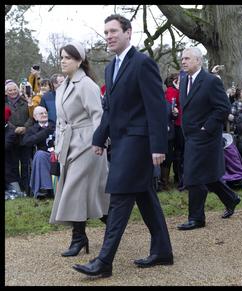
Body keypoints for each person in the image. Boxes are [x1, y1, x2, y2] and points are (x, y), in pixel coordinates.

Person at [72, 14, 173, 278]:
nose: (109, 36)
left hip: (138, 144)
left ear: (128, 33)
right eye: (106, 32)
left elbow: (157, 108)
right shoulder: (110, 67)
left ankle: (104, 261)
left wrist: (158, 146)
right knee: (145, 197)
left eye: (114, 31)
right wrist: (98, 138)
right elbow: (110, 109)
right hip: (120, 142)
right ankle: (162, 251)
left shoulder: (143, 63)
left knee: (118, 198)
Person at [49, 41, 110, 257]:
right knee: (87, 193)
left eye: (67, 57)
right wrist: (57, 146)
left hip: (88, 144)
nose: (63, 61)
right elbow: (60, 121)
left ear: (79, 60)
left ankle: (80, 237)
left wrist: (99, 142)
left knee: (75, 190)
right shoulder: (63, 86)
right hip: (69, 144)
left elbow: (98, 117)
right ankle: (106, 227)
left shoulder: (87, 85)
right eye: (62, 57)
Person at [176, 46, 241, 231]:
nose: (183, 61)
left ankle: (196, 218)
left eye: (187, 58)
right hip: (189, 135)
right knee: (208, 175)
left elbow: (223, 108)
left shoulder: (211, 81)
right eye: (182, 58)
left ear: (198, 61)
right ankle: (231, 198)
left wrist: (206, 128)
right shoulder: (183, 79)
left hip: (205, 136)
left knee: (192, 175)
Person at [5, 80, 34, 195]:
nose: (12, 92)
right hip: (10, 137)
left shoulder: (25, 100)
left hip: (26, 136)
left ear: (18, 90)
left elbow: (32, 116)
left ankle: (27, 187)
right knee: (14, 163)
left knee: (26, 163)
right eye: (10, 90)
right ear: (6, 92)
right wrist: (14, 129)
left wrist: (25, 127)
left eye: (14, 89)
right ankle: (18, 189)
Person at [22, 106, 56, 199]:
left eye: (45, 113)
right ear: (35, 117)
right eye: (41, 113)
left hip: (59, 152)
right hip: (43, 155)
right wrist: (45, 132)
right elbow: (26, 142)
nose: (44, 115)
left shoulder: (55, 125)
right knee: (40, 155)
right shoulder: (32, 129)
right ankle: (45, 189)